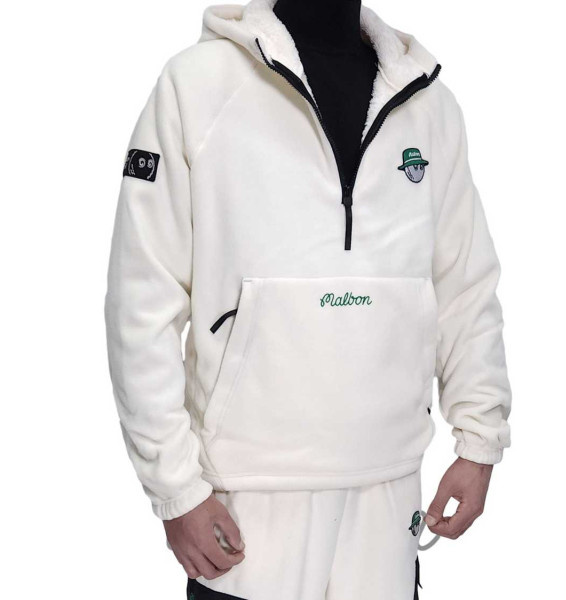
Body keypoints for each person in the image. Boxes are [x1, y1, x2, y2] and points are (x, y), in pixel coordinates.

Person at [105, 0, 512, 598]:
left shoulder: (429, 106)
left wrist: (480, 441)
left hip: (387, 485)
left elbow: (465, 288)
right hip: (246, 494)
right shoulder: (197, 86)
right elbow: (141, 301)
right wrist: (175, 489)